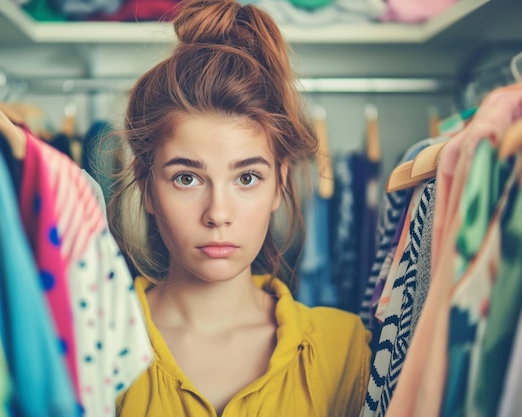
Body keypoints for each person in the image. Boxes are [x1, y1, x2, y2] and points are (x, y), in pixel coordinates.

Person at [106, 0, 371, 415]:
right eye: (187, 178)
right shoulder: (96, 346)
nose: (218, 213)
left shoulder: (348, 351)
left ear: (280, 184)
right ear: (146, 187)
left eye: (246, 178)